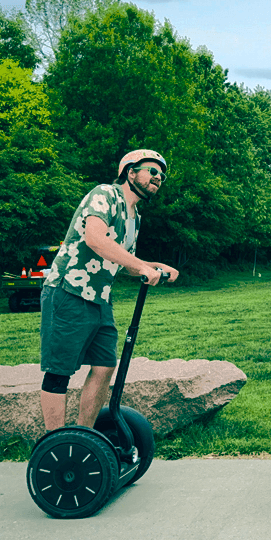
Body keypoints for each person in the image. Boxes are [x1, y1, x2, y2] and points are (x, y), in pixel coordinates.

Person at [39, 149, 180, 433]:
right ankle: (54, 442)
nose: (158, 178)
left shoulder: (135, 217)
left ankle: (84, 439)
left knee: (104, 367)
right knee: (59, 372)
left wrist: (155, 266)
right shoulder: (105, 195)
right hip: (68, 291)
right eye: (152, 171)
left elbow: (125, 263)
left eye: (161, 176)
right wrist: (142, 266)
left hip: (100, 299)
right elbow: (95, 239)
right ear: (130, 172)